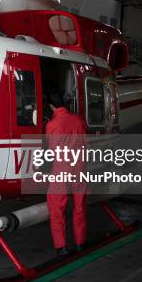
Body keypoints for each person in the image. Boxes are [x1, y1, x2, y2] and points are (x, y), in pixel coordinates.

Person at [45, 89, 88, 256]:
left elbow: (50, 150)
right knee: (79, 207)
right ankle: (80, 243)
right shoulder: (79, 120)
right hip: (80, 169)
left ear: (50, 106)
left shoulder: (51, 125)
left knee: (57, 209)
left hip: (61, 171)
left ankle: (61, 246)